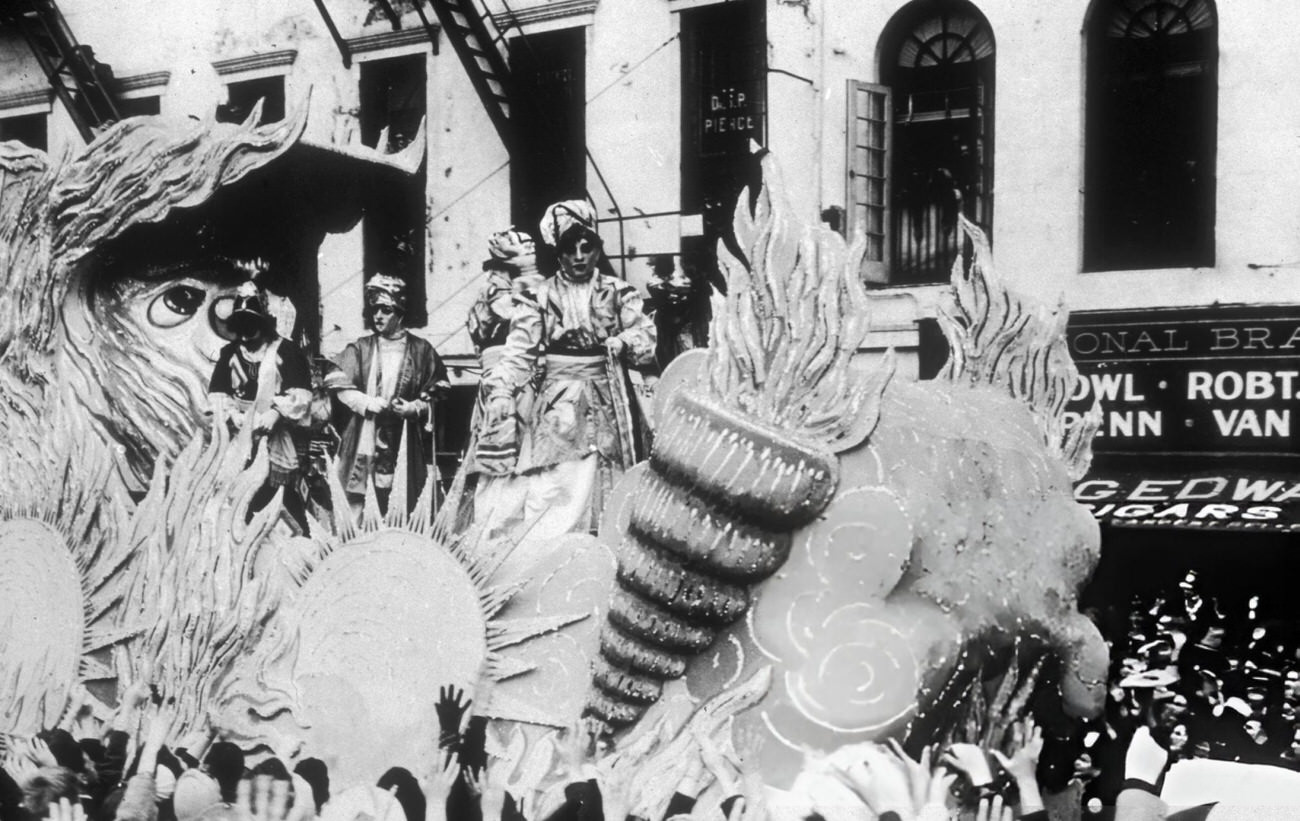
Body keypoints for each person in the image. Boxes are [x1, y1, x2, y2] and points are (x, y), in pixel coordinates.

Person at [475, 199, 655, 570]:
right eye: (570, 248)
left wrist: (624, 341)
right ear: (558, 251)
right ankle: (551, 571)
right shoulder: (538, 297)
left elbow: (646, 332)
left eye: (587, 247)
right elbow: (519, 351)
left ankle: (605, 569)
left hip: (609, 401)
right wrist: (502, 390)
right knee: (556, 487)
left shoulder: (618, 292)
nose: (579, 256)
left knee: (608, 484)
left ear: (596, 248)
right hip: (559, 405)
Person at [325, 275, 449, 517]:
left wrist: (416, 407)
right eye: (375, 310)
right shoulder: (361, 347)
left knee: (402, 497)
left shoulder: (421, 350)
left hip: (405, 436)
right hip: (365, 432)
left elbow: (439, 390)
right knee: (357, 496)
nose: (378, 316)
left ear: (400, 313)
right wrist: (364, 402)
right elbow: (336, 381)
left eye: (386, 310)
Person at [207, 278, 313, 532]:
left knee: (280, 494)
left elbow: (301, 393)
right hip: (240, 436)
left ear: (263, 324)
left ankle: (297, 543)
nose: (245, 333)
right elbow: (217, 393)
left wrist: (276, 413)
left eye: (251, 325)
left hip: (274, 436)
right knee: (237, 494)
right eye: (240, 325)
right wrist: (232, 414)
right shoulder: (230, 354)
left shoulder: (285, 351)